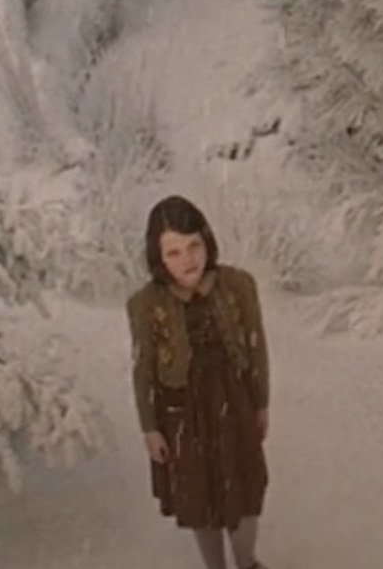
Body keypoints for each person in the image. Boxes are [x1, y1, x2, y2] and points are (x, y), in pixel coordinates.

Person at [129, 195, 271, 569]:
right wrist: (150, 427)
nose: (187, 259)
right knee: (199, 492)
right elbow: (143, 367)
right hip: (182, 412)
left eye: (193, 245)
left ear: (207, 241)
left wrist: (261, 403)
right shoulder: (146, 303)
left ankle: (247, 561)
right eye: (173, 252)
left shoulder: (238, 285)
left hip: (233, 401)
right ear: (158, 258)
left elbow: (257, 348)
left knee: (244, 485)